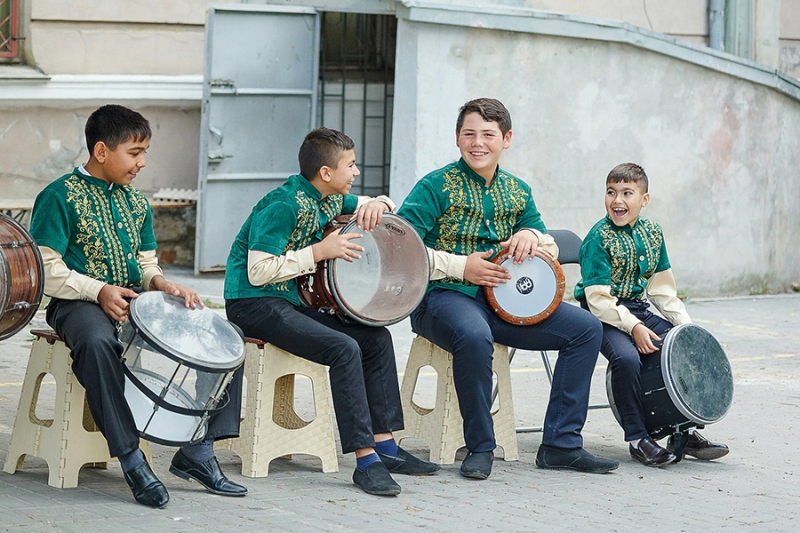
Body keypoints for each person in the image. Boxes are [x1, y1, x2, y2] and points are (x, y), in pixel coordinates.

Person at [29, 104, 247, 508]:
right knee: (96, 345)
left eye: (145, 152)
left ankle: (198, 451)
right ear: (101, 151)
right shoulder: (57, 196)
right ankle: (132, 459)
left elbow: (145, 263)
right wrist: (98, 291)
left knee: (225, 338)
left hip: (135, 297)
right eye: (134, 153)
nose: (142, 163)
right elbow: (46, 268)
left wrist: (162, 283)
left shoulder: (136, 202)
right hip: (77, 303)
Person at [396, 98, 619, 479]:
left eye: (488, 134)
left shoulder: (518, 191)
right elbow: (399, 245)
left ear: (507, 139)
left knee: (587, 329)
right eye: (469, 134)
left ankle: (561, 446)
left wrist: (531, 235)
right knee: (473, 333)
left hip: (507, 304)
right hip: (441, 298)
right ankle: (481, 446)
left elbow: (544, 237)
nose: (478, 143)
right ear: (457, 138)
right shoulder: (434, 186)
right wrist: (461, 267)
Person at [224, 127, 439, 496]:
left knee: (375, 339)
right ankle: (365, 459)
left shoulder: (329, 198)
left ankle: (386, 445)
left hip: (288, 303)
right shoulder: (284, 204)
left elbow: (380, 202)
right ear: (326, 173)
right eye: (350, 166)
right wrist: (320, 252)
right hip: (252, 303)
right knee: (344, 348)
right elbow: (258, 271)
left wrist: (379, 204)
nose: (355, 173)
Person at [574, 162, 729, 467]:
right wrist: (633, 328)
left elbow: (661, 290)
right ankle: (637, 438)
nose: (617, 200)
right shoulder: (598, 238)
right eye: (611, 192)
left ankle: (684, 432)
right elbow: (598, 300)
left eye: (627, 193)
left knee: (681, 348)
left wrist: (687, 328)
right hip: (602, 313)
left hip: (637, 307)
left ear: (644, 199)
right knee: (627, 358)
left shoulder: (653, 232)